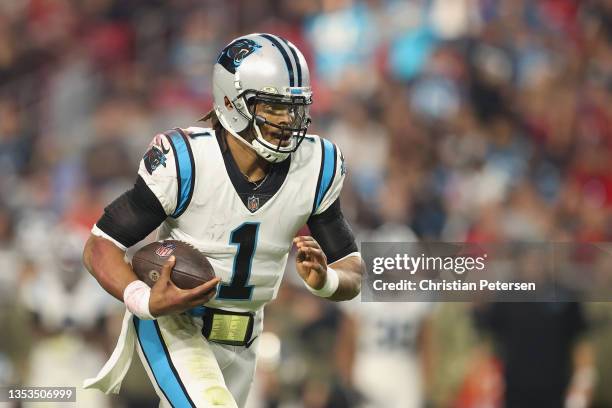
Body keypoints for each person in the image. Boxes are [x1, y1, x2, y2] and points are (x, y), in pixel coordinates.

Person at [82, 33, 364, 408]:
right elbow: (101, 245)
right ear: (233, 101)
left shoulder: (318, 166)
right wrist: (145, 300)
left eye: (295, 108)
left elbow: (352, 269)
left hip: (247, 335)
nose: (287, 120)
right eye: (273, 106)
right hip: (176, 324)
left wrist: (326, 279)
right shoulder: (186, 162)